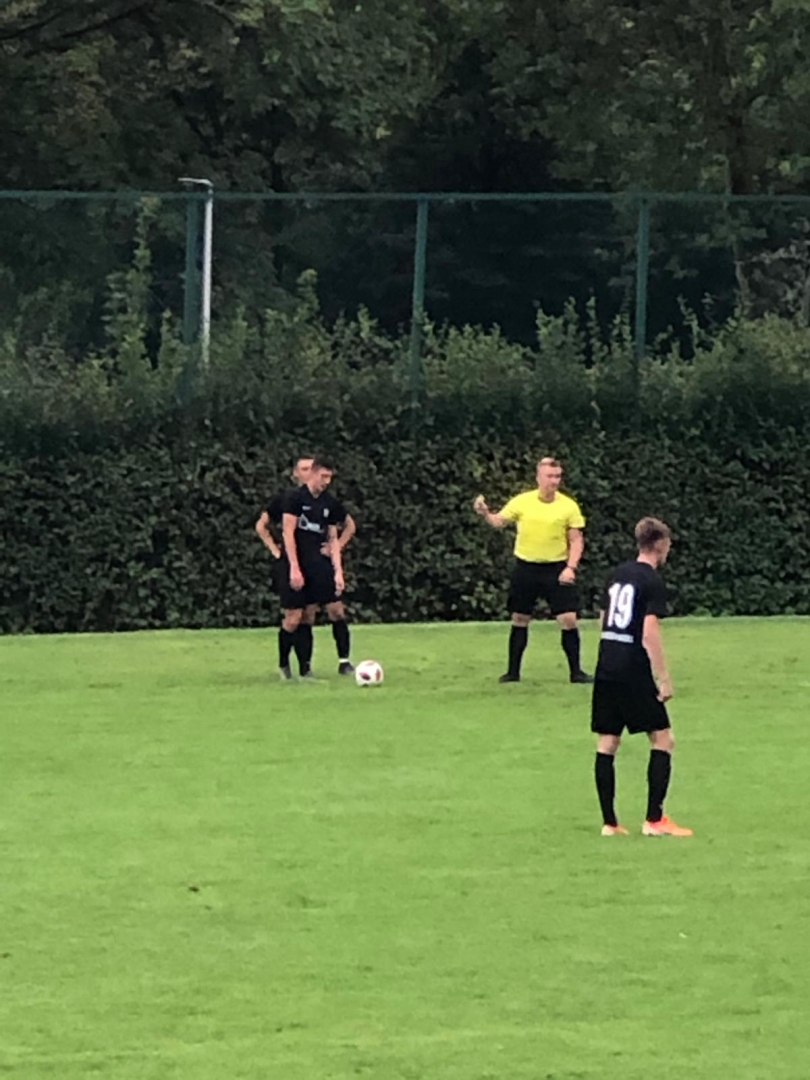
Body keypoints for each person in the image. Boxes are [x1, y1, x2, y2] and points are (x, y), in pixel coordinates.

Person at [591, 517, 692, 837]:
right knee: (662, 738)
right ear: (660, 544)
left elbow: (604, 618)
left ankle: (610, 823)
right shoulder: (651, 581)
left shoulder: (617, 574)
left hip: (607, 662)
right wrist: (663, 678)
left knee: (608, 741)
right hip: (632, 665)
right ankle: (654, 820)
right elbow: (649, 631)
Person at [474, 456, 593, 685]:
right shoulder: (523, 501)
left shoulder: (568, 506)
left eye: (557, 476)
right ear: (538, 477)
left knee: (568, 619)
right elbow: (499, 522)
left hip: (556, 567)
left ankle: (576, 672)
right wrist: (485, 513)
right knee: (519, 617)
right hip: (526, 567)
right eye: (549, 476)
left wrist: (571, 567)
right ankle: (512, 673)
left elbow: (576, 540)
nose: (554, 481)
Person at [255, 454, 355, 679]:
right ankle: (283, 665)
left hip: (317, 565)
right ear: (311, 474)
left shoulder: (328, 502)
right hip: (295, 563)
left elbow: (334, 535)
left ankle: (307, 667)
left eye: (329, 477)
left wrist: (338, 570)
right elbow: (286, 532)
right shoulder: (293, 498)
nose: (326, 481)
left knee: (311, 614)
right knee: (293, 617)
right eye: (323, 476)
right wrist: (291, 564)